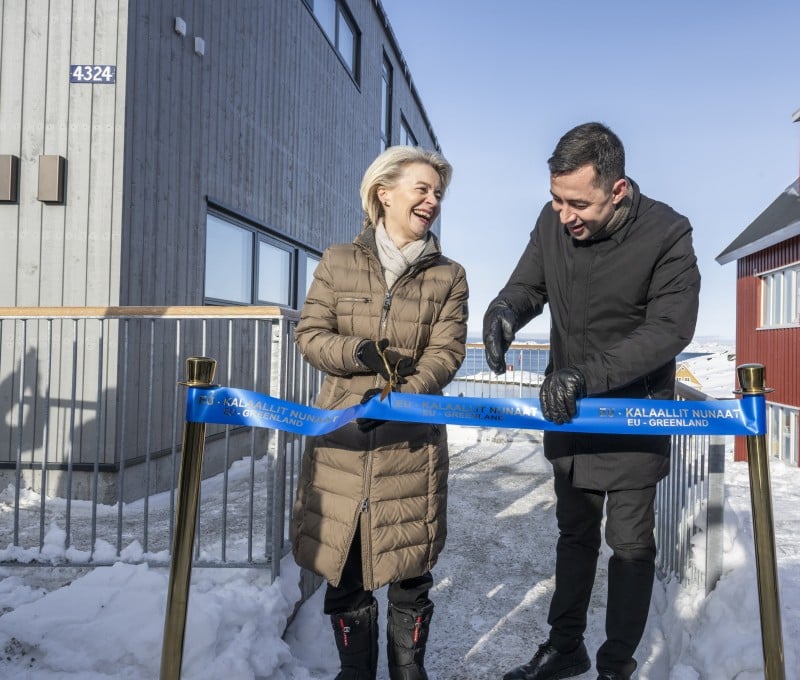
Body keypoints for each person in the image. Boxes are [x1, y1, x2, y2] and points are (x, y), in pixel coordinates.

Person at [484, 122, 700, 680]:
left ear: (618, 189)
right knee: (574, 534)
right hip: (570, 416)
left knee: (628, 546)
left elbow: (670, 329)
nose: (564, 214)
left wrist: (587, 375)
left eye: (579, 202)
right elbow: (529, 286)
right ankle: (565, 648)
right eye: (556, 199)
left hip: (632, 417)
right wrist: (504, 310)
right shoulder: (551, 221)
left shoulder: (668, 233)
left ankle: (616, 664)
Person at [292, 145, 468, 680]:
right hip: (343, 439)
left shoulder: (450, 276)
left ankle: (408, 671)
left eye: (438, 193)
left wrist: (399, 397)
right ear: (383, 192)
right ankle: (355, 671)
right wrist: (359, 353)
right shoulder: (337, 261)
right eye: (423, 188)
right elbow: (311, 335)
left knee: (410, 570)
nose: (433, 200)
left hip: (410, 443)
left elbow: (448, 352)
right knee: (344, 567)